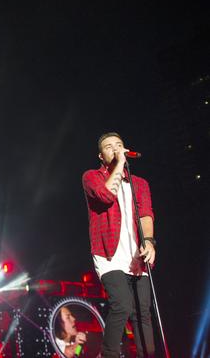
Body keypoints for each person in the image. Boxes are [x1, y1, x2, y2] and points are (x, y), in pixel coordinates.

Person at [82, 132, 156, 357]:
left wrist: (150, 242)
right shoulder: (91, 177)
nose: (115, 149)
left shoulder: (140, 184)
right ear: (101, 156)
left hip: (136, 256)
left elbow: (145, 215)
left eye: (119, 145)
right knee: (122, 305)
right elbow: (105, 195)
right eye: (109, 147)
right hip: (109, 255)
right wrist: (120, 162)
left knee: (143, 313)